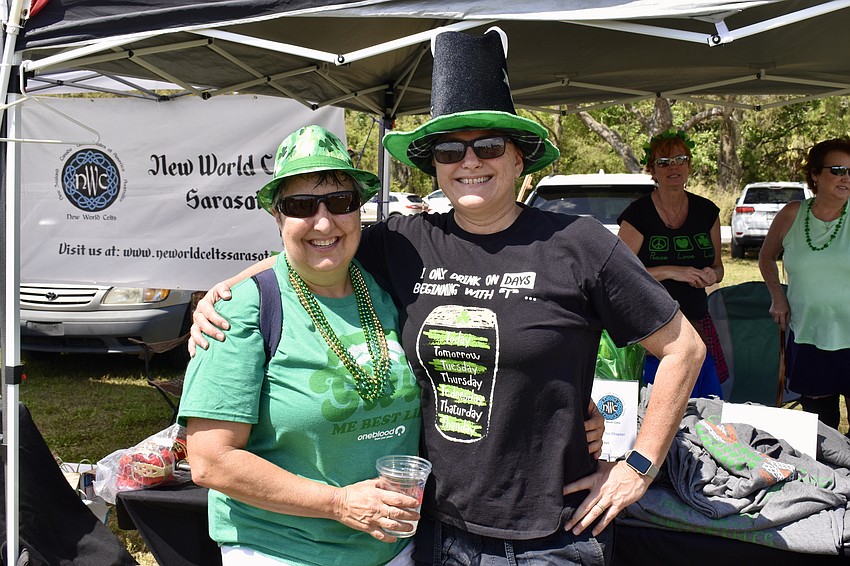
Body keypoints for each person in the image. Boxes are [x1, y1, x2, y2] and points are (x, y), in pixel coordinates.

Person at [191, 28, 703, 565]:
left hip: (552, 534)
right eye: (449, 150)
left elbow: (682, 349)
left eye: (487, 146)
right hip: (436, 532)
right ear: (433, 164)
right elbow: (318, 244)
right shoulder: (402, 243)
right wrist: (231, 289)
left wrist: (638, 467)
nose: (469, 161)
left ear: (519, 158)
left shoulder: (579, 245)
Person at [177, 125, 425, 566]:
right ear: (278, 217)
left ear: (360, 211)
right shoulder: (244, 308)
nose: (324, 221)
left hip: (393, 549)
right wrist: (339, 503)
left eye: (341, 203)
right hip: (281, 552)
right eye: (301, 206)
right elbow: (210, 461)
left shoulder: (387, 288)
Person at [617, 129, 727, 398]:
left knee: (706, 405)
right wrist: (671, 272)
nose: (672, 167)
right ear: (652, 170)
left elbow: (719, 267)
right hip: (651, 327)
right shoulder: (638, 215)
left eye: (680, 159)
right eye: (663, 162)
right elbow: (620, 274)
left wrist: (711, 275)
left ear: (689, 165)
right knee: (660, 402)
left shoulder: (707, 211)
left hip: (697, 321)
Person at [759, 138, 850, 431]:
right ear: (814, 174)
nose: (846, 178)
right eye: (838, 170)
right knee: (821, 429)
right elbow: (766, 258)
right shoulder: (792, 214)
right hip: (809, 335)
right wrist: (777, 296)